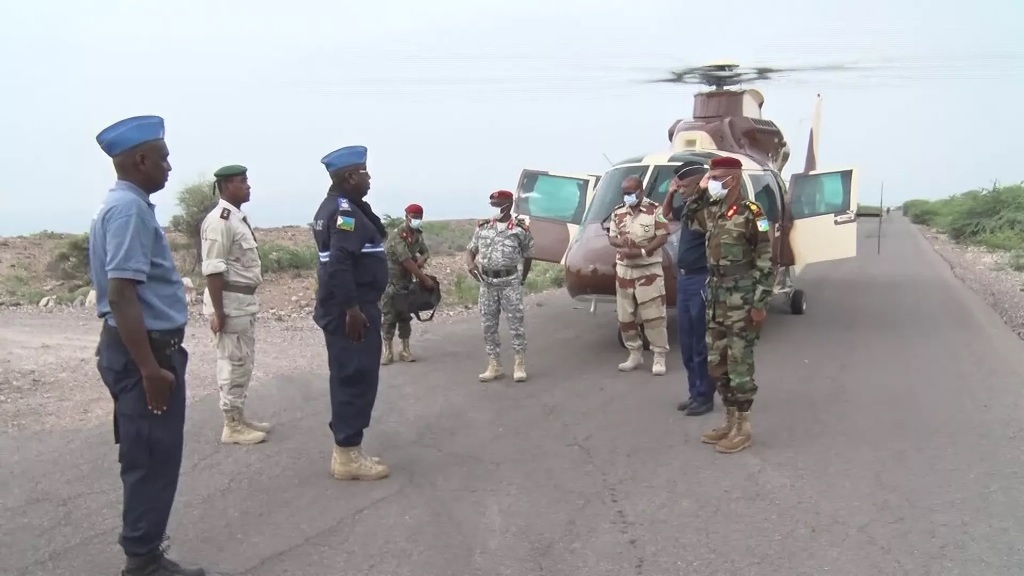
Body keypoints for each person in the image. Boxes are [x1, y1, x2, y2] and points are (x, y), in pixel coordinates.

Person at [89, 115, 206, 575]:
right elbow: (121, 293)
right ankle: (143, 561)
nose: (170, 167)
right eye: (163, 158)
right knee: (151, 457)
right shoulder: (129, 210)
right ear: (140, 160)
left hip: (146, 350)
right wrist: (150, 370)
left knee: (152, 453)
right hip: (146, 354)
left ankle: (146, 552)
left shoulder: (124, 205)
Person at [681, 155, 774, 454]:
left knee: (739, 364)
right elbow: (687, 217)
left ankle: (743, 427)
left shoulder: (752, 213)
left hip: (742, 298)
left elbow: (765, 262)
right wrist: (700, 189)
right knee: (717, 363)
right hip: (716, 295)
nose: (713, 183)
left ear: (733, 179)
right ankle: (729, 421)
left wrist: (759, 303)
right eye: (711, 178)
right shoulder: (714, 210)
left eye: (717, 177)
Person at [311, 145, 391, 481]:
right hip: (352, 311)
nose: (370, 178)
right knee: (354, 378)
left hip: (349, 306)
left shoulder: (339, 208)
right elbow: (339, 266)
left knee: (351, 375)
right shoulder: (343, 212)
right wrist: (353, 310)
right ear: (350, 176)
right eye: (365, 173)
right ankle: (348, 454)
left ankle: (347, 450)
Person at [199, 164, 270, 445]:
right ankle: (231, 425)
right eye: (242, 181)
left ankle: (239, 417)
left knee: (243, 363)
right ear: (227, 186)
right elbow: (213, 270)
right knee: (232, 363)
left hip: (242, 301)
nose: (248, 185)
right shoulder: (220, 221)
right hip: (229, 303)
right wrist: (219, 312)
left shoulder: (236, 219)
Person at [661, 161, 714, 415]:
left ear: (699, 183)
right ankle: (695, 393)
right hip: (685, 280)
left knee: (700, 342)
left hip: (701, 278)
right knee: (687, 341)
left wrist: (702, 190)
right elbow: (666, 215)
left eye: (684, 186)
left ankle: (705, 396)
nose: (680, 190)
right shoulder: (689, 207)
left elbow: (700, 207)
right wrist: (670, 193)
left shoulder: (707, 206)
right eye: (678, 186)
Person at [466, 190, 534, 383]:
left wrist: (522, 278)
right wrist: (471, 264)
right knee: (488, 325)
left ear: (509, 204)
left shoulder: (520, 229)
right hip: (487, 283)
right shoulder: (483, 227)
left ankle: (519, 363)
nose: (494, 208)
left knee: (516, 325)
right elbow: (471, 250)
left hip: (510, 282)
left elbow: (528, 255)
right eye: (493, 204)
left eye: (498, 204)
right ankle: (494, 364)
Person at [607, 175, 671, 375]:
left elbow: (662, 236)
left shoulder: (654, 210)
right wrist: (622, 242)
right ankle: (634, 353)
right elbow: (612, 237)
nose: (627, 196)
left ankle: (659, 356)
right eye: (624, 193)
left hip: (648, 269)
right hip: (625, 269)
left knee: (654, 315)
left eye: (630, 193)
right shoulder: (618, 212)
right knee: (626, 316)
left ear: (640, 190)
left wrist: (642, 251)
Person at [381, 203, 434, 365]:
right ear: (407, 217)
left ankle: (405, 349)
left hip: (406, 282)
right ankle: (387, 351)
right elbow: (406, 261)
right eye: (414, 217)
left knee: (405, 315)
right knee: (389, 316)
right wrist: (425, 279)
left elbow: (425, 251)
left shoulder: (417, 234)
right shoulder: (398, 236)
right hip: (391, 281)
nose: (417, 220)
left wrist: (422, 259)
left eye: (419, 218)